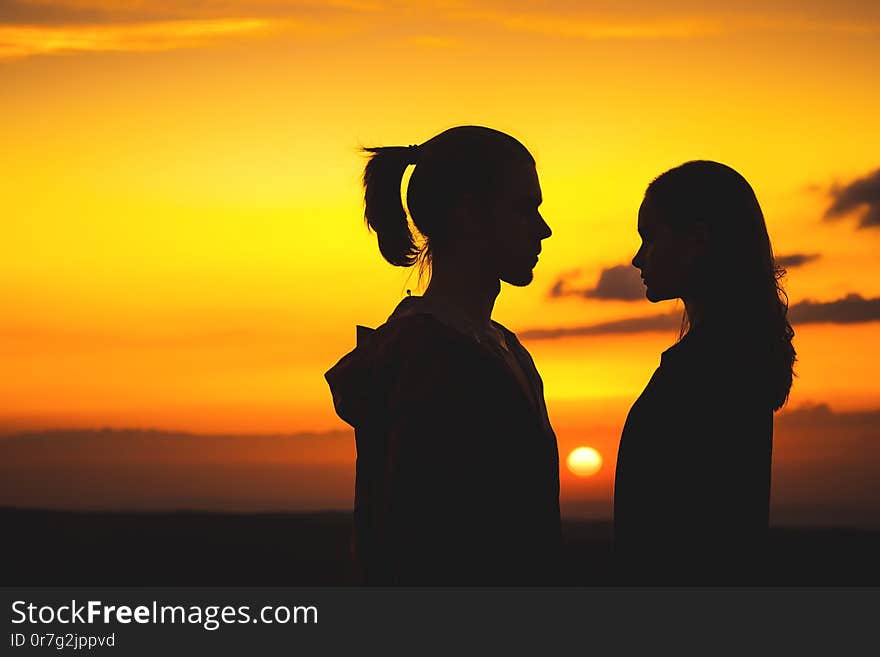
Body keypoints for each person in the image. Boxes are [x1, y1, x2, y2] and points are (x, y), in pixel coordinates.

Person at [325, 126, 561, 585]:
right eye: (524, 208)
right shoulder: (425, 359)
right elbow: (420, 550)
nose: (543, 228)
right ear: (469, 214)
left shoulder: (504, 349)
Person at [613, 161, 796, 585]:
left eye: (650, 237)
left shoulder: (704, 377)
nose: (638, 257)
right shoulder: (729, 365)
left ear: (697, 241)